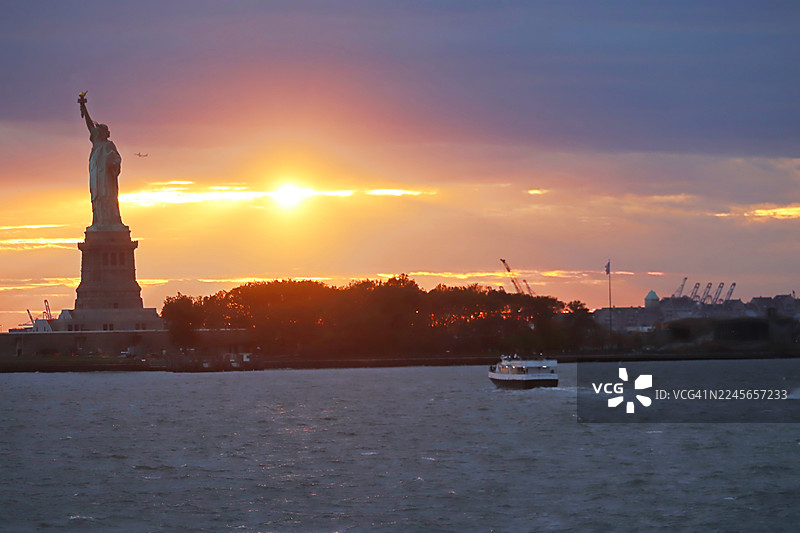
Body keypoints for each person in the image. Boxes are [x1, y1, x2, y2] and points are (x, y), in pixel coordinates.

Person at [79, 95, 124, 228]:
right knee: (97, 198)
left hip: (107, 179)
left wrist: (114, 163)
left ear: (105, 133)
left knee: (108, 197)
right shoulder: (97, 143)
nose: (96, 132)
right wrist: (83, 107)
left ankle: (111, 221)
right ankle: (98, 221)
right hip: (97, 177)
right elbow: (89, 124)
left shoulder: (109, 145)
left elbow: (117, 159)